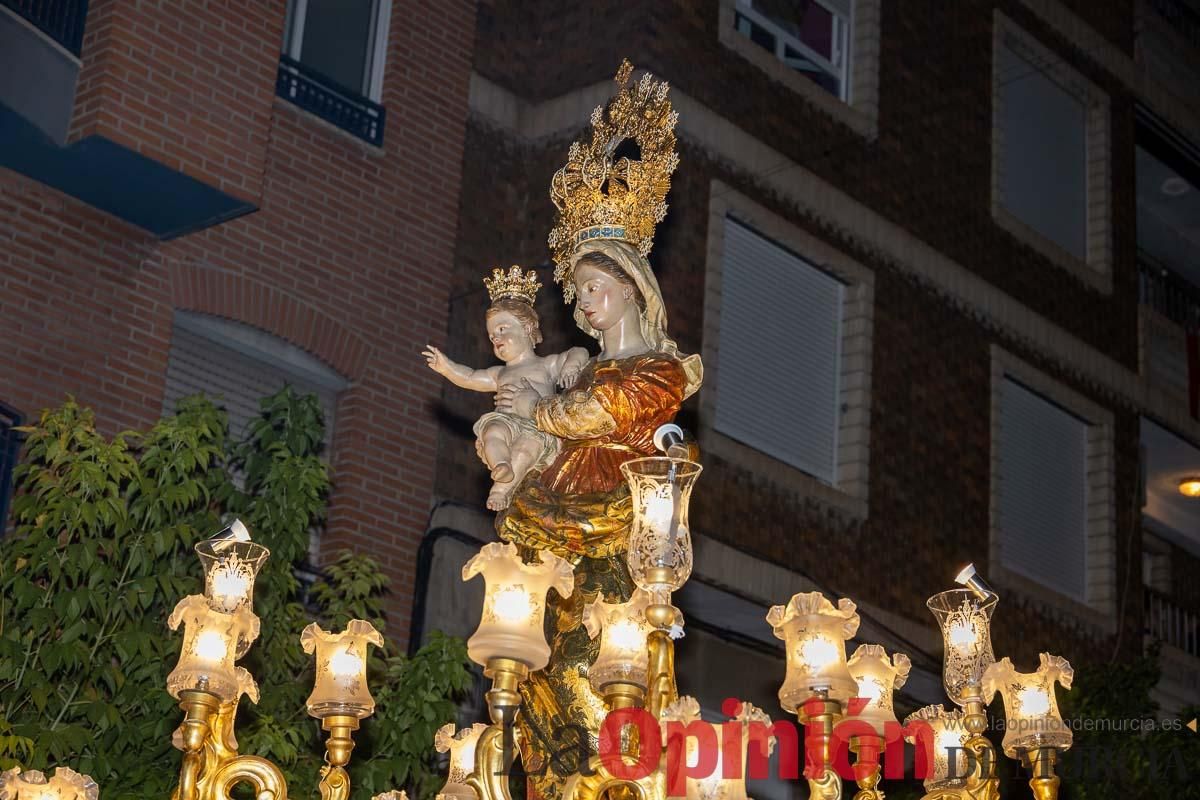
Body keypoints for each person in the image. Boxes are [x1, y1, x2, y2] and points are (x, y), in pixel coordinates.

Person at [492, 237, 702, 798]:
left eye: (594, 288)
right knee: (538, 660)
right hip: (553, 514)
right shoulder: (574, 371)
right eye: (578, 290)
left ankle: (608, 772)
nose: (583, 302)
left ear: (630, 289)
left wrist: (536, 410)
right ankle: (553, 777)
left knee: (602, 656)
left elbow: (597, 415)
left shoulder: (660, 370)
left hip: (617, 521)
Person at [422, 267, 589, 510]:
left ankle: (502, 487)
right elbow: (469, 377)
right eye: (491, 336)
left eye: (502, 329)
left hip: (536, 428)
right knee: (492, 433)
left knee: (526, 448)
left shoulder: (546, 364)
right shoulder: (499, 373)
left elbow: (579, 351)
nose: (496, 338)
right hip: (505, 421)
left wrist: (570, 368)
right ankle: (501, 465)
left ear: (528, 329)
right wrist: (446, 368)